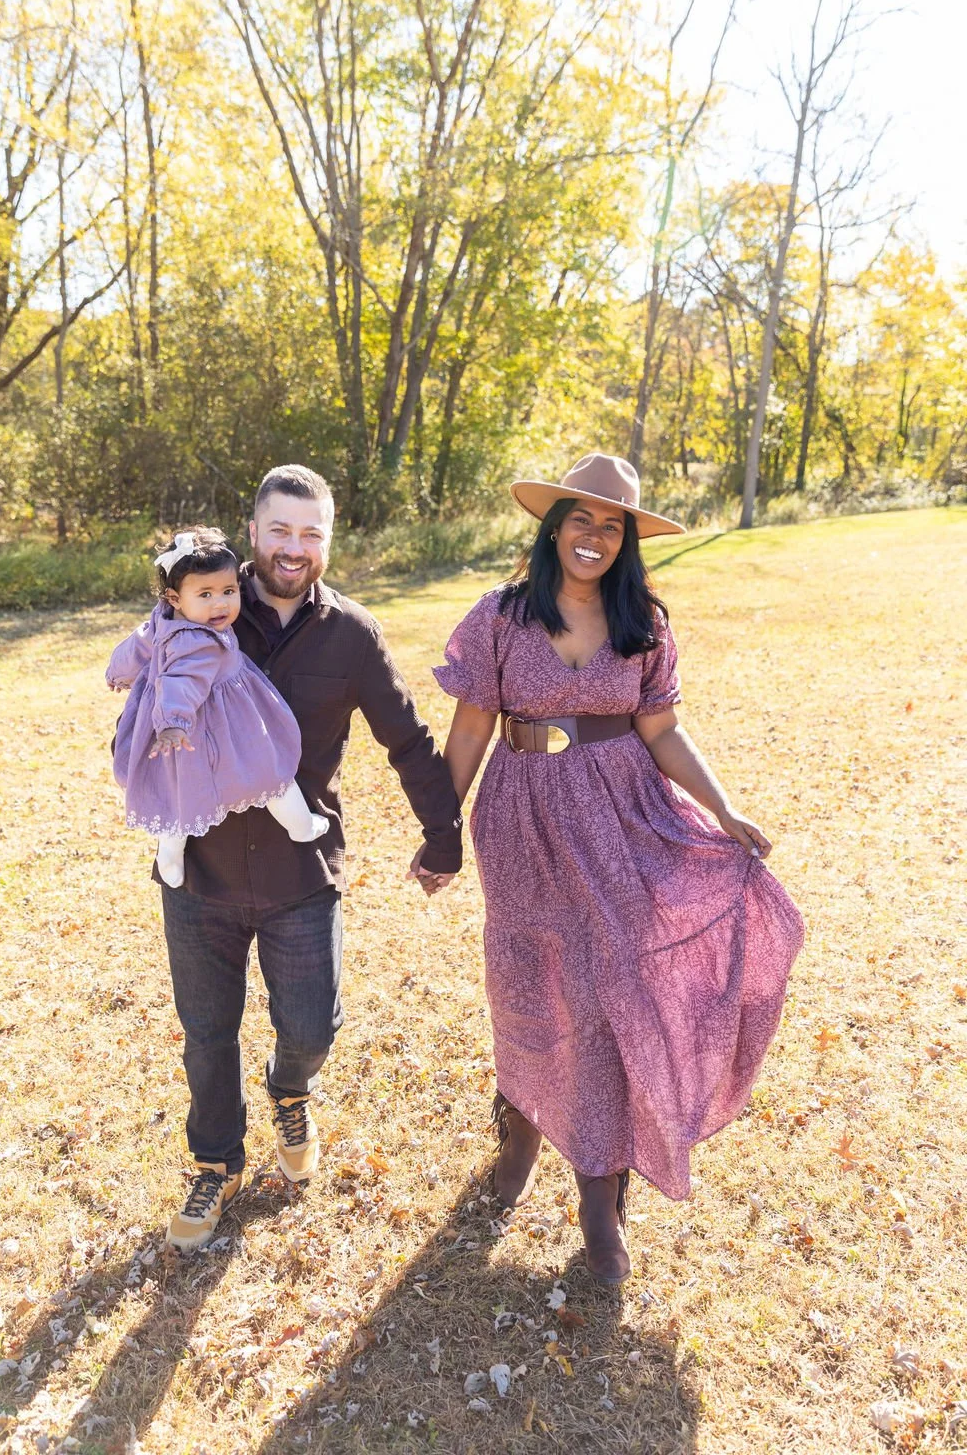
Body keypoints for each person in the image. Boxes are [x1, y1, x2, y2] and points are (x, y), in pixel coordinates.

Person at [433, 452, 804, 1285]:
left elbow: (663, 732)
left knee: (609, 998)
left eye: (612, 524)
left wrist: (723, 807)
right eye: (581, 518)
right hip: (521, 818)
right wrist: (440, 829)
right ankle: (522, 1127)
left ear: (627, 538)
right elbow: (468, 732)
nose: (594, 536)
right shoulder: (500, 617)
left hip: (623, 820)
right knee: (527, 984)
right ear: (553, 526)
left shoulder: (645, 623)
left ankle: (600, 1199)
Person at [129, 466, 463, 1253]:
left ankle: (291, 1088)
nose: (294, 547)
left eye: (311, 533)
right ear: (252, 533)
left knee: (312, 1024)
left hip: (301, 872)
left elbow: (407, 739)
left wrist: (443, 832)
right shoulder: (198, 607)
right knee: (207, 1032)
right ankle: (216, 1160)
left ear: (328, 540)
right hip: (200, 873)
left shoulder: (351, 633)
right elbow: (146, 698)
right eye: (280, 529)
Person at [106, 526, 329, 889]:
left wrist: (117, 671)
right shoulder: (197, 642)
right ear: (175, 597)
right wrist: (175, 722)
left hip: (179, 725)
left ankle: (169, 855)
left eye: (228, 591)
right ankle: (301, 825)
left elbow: (138, 645)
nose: (220, 605)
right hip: (205, 720)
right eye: (205, 594)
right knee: (268, 768)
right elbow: (183, 682)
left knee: (178, 788)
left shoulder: (163, 619)